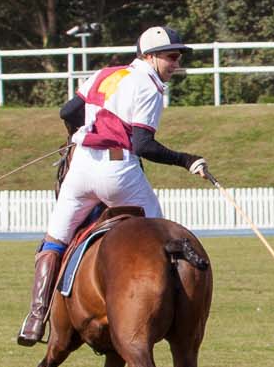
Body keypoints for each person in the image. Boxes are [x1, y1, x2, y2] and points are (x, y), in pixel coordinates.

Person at [20, 26, 210, 345]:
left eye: (178, 57)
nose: (176, 64)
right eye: (171, 57)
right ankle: (170, 306)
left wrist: (75, 138)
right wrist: (187, 160)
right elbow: (143, 145)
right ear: (149, 57)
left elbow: (69, 111)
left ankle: (36, 317)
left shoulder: (105, 74)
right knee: (160, 231)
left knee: (54, 240)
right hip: (118, 170)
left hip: (80, 170)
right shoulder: (149, 88)